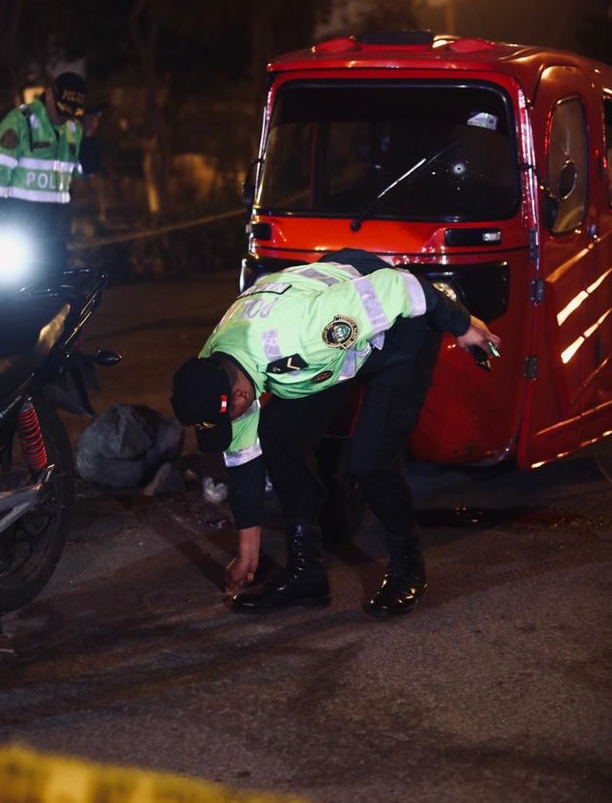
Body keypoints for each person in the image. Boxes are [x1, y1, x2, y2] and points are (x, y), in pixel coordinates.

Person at [170, 248, 501, 618]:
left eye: (230, 416)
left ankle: (408, 564)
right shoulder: (216, 364)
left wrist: (462, 326)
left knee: (370, 460)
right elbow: (244, 460)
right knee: (278, 431)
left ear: (240, 395)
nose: (232, 426)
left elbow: (402, 286)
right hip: (330, 354)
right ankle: (306, 574)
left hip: (398, 331)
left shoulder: (301, 332)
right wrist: (247, 552)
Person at [0, 71, 101, 268]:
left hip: (56, 231)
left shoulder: (73, 128)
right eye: (62, 110)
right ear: (50, 95)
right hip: (19, 228)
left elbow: (88, 169)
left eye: (71, 113)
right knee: (15, 293)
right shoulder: (20, 121)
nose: (64, 118)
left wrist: (90, 135)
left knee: (54, 293)